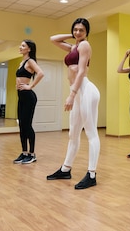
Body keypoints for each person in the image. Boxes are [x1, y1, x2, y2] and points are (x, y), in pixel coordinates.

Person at [47, 18, 101, 190]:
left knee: (91, 133)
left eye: (81, 30)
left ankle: (92, 174)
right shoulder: (74, 47)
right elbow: (53, 39)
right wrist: (72, 35)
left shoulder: (84, 45)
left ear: (87, 32)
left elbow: (82, 71)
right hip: (78, 93)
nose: (78, 32)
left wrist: (72, 94)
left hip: (85, 90)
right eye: (75, 30)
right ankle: (65, 169)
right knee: (73, 133)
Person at [13, 40, 45, 164]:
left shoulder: (30, 61)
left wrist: (30, 86)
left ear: (29, 49)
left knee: (27, 125)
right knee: (21, 125)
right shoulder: (22, 62)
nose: (20, 47)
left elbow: (41, 73)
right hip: (21, 95)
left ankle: (32, 154)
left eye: (23, 46)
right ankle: (24, 152)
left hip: (28, 96)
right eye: (20, 45)